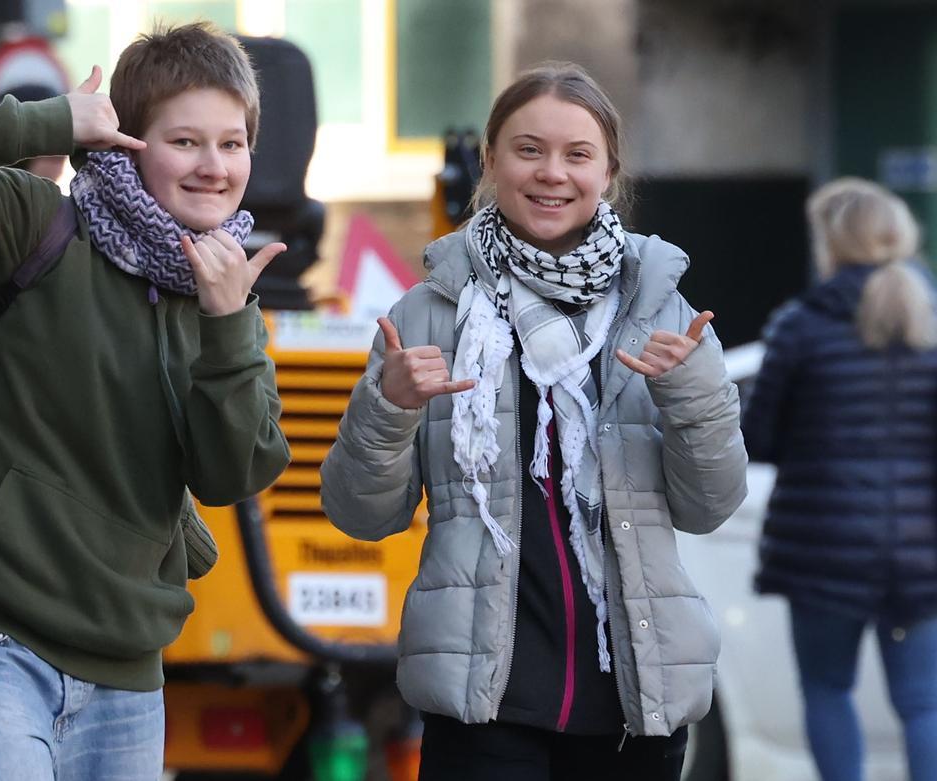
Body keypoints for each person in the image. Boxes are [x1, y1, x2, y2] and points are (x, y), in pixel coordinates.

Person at [0, 22, 291, 780]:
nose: (214, 167)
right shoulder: (30, 224)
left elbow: (231, 474)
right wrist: (46, 119)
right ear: (125, 141)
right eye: (186, 141)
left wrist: (228, 328)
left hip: (125, 667)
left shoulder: (227, 292)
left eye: (232, 143)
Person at [320, 61, 747, 781]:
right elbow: (361, 514)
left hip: (634, 706)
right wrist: (388, 407)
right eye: (528, 149)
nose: (553, 172)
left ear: (607, 171)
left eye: (577, 154)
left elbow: (710, 506)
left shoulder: (660, 313)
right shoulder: (427, 314)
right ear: (490, 160)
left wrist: (695, 395)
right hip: (485, 706)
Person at [742, 178, 937, 781]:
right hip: (920, 550)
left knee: (828, 690)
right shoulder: (930, 326)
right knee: (924, 702)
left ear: (831, 242)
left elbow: (758, 437)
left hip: (822, 550)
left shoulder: (801, 326)